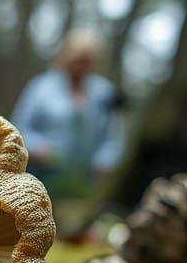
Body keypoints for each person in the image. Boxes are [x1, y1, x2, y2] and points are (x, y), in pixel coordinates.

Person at [11, 30, 125, 202]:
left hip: (84, 182)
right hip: (39, 176)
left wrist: (104, 161)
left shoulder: (103, 92)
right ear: (65, 55)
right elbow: (18, 128)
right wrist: (38, 148)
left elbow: (113, 136)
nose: (80, 66)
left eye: (85, 62)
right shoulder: (41, 87)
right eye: (76, 60)